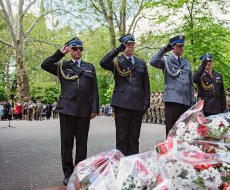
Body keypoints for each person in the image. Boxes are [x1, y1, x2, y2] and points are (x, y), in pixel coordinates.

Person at [41, 37, 99, 185]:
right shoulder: (62, 65)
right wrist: (60, 53)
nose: (78, 51)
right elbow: (45, 64)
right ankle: (68, 173)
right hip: (67, 109)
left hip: (84, 110)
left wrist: (94, 109)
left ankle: (79, 171)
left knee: (82, 144)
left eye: (80, 48)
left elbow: (94, 90)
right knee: (67, 144)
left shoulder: (89, 67)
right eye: (74, 48)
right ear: (70, 50)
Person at [100, 34, 150, 156]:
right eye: (128, 45)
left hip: (138, 105)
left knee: (134, 137)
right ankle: (121, 163)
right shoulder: (117, 61)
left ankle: (133, 163)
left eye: (132, 45)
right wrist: (117, 50)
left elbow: (146, 85)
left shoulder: (141, 63)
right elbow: (103, 62)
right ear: (123, 46)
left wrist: (146, 103)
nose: (131, 47)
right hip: (121, 104)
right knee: (122, 137)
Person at [150, 35, 195, 136]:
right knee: (171, 130)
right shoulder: (166, 60)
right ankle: (170, 150)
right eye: (179, 46)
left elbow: (190, 84)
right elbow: (153, 61)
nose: (181, 48)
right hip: (172, 100)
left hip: (186, 101)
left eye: (183, 46)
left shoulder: (186, 63)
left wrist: (192, 101)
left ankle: (182, 150)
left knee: (184, 131)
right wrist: (164, 49)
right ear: (173, 47)